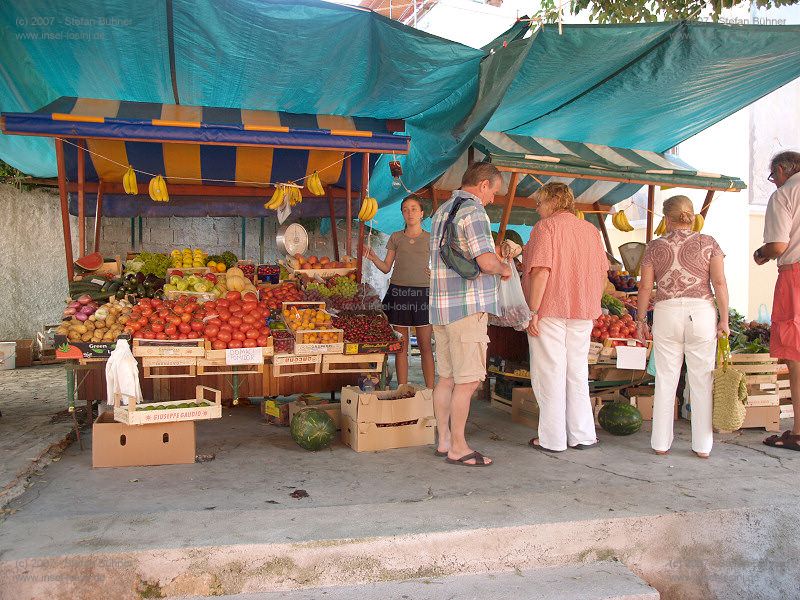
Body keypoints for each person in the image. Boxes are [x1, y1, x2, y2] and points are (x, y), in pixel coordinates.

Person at [429, 162, 511, 467]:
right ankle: (459, 447)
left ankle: (444, 441)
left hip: (441, 309)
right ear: (483, 184)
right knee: (467, 382)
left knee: (446, 379)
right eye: (494, 192)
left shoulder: (441, 212)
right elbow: (486, 262)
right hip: (466, 308)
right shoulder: (474, 211)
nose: (492, 199)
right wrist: (504, 268)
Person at [637, 195, 729, 458]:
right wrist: (724, 319)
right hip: (701, 313)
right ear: (691, 216)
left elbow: (645, 287)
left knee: (665, 379)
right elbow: (719, 283)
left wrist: (641, 320)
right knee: (701, 380)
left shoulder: (654, 246)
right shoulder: (708, 243)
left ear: (666, 218)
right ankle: (702, 446)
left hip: (666, 313)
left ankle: (660, 443)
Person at [521, 183, 608, 452]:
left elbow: (541, 271)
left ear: (553, 201)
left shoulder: (546, 228)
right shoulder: (590, 231)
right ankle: (582, 435)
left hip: (549, 309)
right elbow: (603, 275)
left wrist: (532, 311)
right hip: (583, 311)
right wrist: (591, 303)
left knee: (550, 373)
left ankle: (553, 439)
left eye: (540, 203)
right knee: (577, 372)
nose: (537, 208)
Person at [754, 151, 800, 451]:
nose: (774, 182)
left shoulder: (785, 194)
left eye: (773, 176)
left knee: (796, 354)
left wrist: (761, 253)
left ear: (782, 170)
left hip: (796, 275)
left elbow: (779, 245)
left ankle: (799, 431)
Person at [365, 196, 434, 388]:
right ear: (402, 214)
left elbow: (442, 264)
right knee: (401, 347)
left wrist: (436, 273)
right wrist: (373, 257)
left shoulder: (431, 238)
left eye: (414, 209)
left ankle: (431, 392)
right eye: (405, 209)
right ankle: (402, 390)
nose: (410, 213)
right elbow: (386, 267)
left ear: (421, 213)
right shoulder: (396, 237)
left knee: (425, 346)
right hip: (399, 293)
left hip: (423, 295)